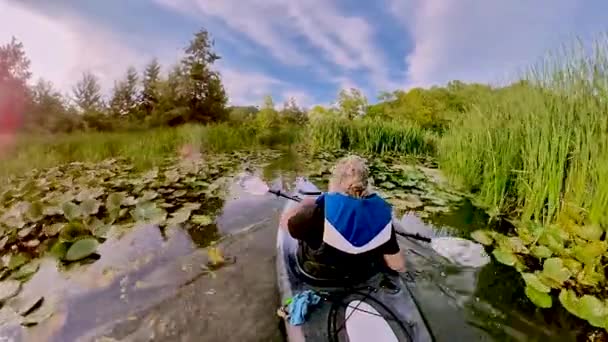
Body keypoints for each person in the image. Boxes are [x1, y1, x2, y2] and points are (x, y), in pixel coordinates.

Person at [281, 155, 406, 280]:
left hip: (324, 275)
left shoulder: (316, 211)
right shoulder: (381, 214)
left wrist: (303, 205)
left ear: (336, 181)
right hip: (362, 275)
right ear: (366, 183)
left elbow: (285, 225)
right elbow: (397, 265)